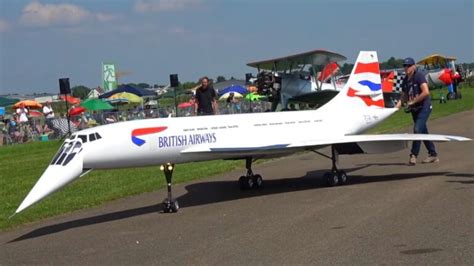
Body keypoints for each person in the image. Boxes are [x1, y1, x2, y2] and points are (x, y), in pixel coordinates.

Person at [396, 57, 439, 165]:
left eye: (408, 66)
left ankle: (413, 155)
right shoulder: (405, 80)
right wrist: (396, 107)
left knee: (417, 129)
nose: (406, 68)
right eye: (405, 66)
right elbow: (404, 96)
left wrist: (414, 101)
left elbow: (426, 92)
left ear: (414, 66)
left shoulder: (419, 76)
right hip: (414, 109)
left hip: (424, 107)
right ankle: (433, 154)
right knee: (423, 131)